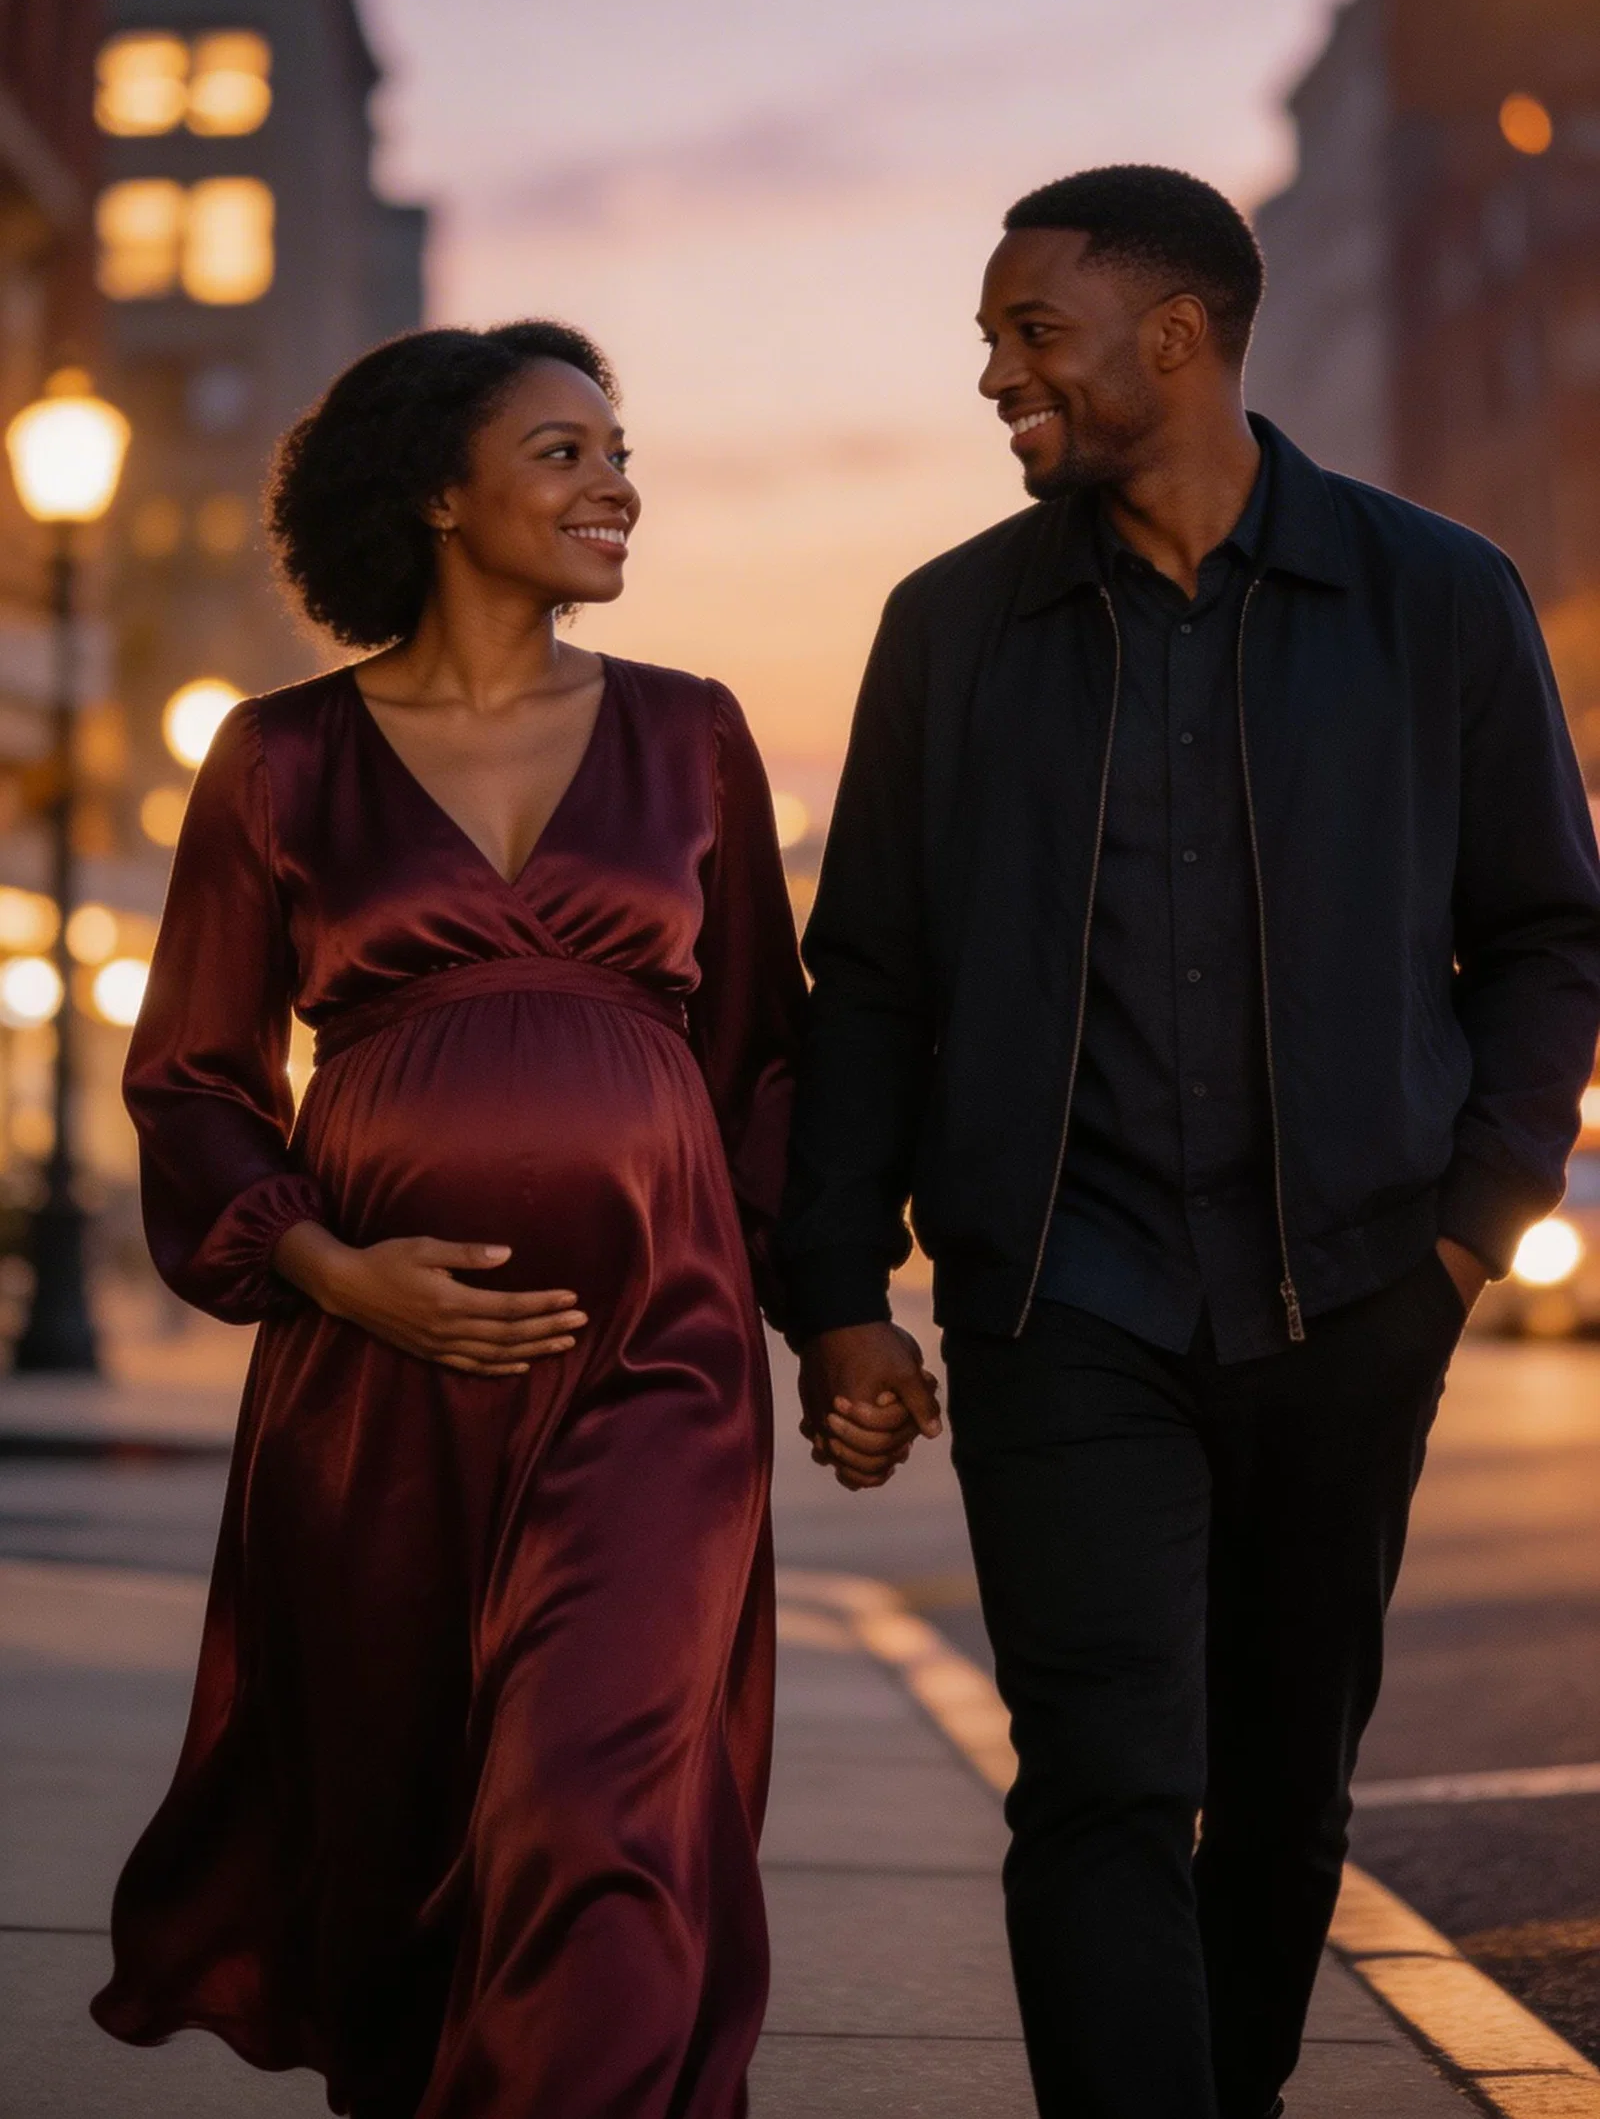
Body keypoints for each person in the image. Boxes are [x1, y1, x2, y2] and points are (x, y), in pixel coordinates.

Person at [778, 166, 1600, 2119]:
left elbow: (1545, 931)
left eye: (1025, 332)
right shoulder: (950, 629)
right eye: (989, 339)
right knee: (1101, 1776)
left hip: (1353, 1297)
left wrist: (1467, 1228)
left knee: (1283, 1784)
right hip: (1059, 1298)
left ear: (1175, 335)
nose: (992, 374)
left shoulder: (1432, 597)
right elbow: (870, 979)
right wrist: (834, 1292)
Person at [92, 320, 805, 2119]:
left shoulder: (692, 731)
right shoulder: (276, 758)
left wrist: (835, 1312)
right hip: (372, 1384)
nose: (614, 481)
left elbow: (764, 1064)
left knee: (599, 1808)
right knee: (405, 1828)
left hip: (655, 1354)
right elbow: (189, 1072)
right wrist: (331, 1270)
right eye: (562, 452)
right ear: (434, 493)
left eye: (618, 448)